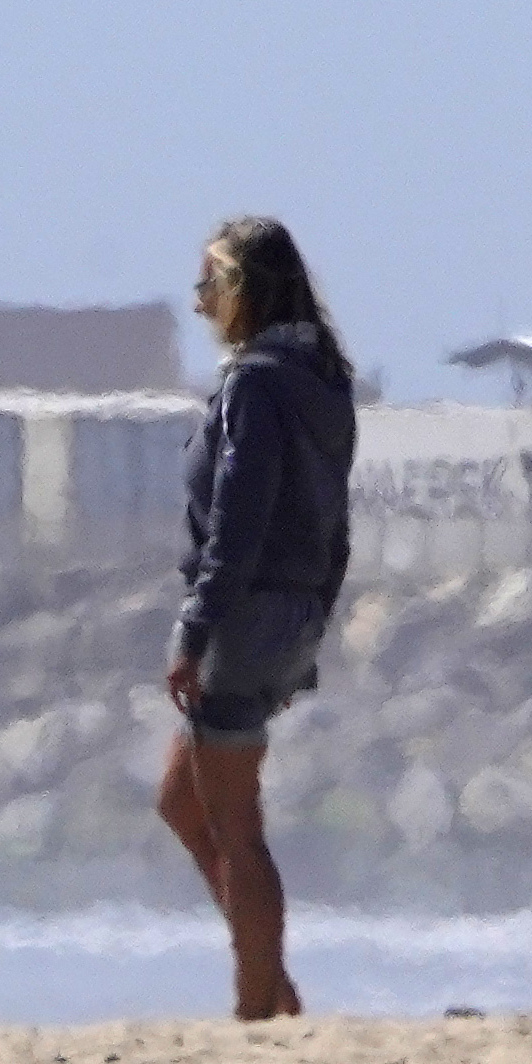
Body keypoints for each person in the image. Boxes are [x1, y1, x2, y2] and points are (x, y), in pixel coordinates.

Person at [162, 215, 358, 1022]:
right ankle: (273, 985)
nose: (200, 300)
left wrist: (194, 630)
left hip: (245, 613)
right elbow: (335, 523)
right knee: (182, 799)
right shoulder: (322, 377)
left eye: (211, 283)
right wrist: (311, 622)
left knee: (239, 831)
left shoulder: (256, 383)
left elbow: (238, 520)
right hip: (293, 607)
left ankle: (258, 1015)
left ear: (245, 289)